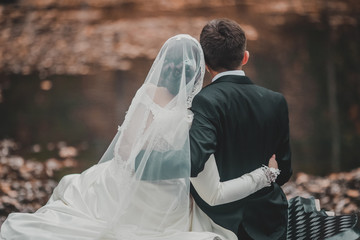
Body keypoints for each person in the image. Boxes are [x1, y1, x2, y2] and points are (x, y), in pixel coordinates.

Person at [0, 34, 282, 240]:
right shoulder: (195, 116)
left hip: (118, 185)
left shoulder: (147, 94)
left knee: (76, 190)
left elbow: (124, 152)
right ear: (200, 72)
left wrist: (142, 164)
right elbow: (212, 192)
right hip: (164, 206)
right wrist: (264, 175)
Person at [189, 18, 359, 240]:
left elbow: (193, 162)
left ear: (205, 63)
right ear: (245, 57)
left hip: (223, 221)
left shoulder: (203, 101)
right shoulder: (275, 100)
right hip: (270, 218)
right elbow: (284, 172)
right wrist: (264, 175)